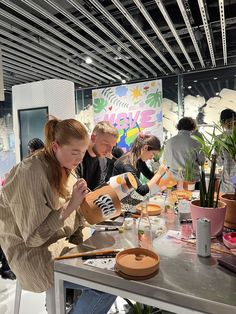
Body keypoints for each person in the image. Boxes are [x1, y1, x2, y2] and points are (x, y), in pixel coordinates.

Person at [0, 118, 116, 314]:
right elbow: (34, 238)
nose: (80, 158)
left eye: (83, 151)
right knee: (106, 286)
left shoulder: (65, 168)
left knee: (111, 268)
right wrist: (72, 205)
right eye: (75, 152)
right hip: (33, 256)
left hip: (61, 242)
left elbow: (76, 219)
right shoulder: (30, 172)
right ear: (55, 146)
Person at [76, 121, 119, 190]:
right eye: (106, 144)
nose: (109, 151)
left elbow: (99, 187)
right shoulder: (77, 158)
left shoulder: (103, 161)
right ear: (93, 138)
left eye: (112, 146)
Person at [163, 117, 205, 183]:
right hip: (192, 181)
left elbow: (165, 162)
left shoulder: (169, 142)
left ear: (178, 126)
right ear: (193, 127)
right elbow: (202, 162)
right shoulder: (195, 142)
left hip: (173, 180)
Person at [218, 108, 236, 193]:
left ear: (222, 122)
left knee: (228, 204)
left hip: (228, 181)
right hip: (232, 179)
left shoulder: (219, 138)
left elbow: (219, 162)